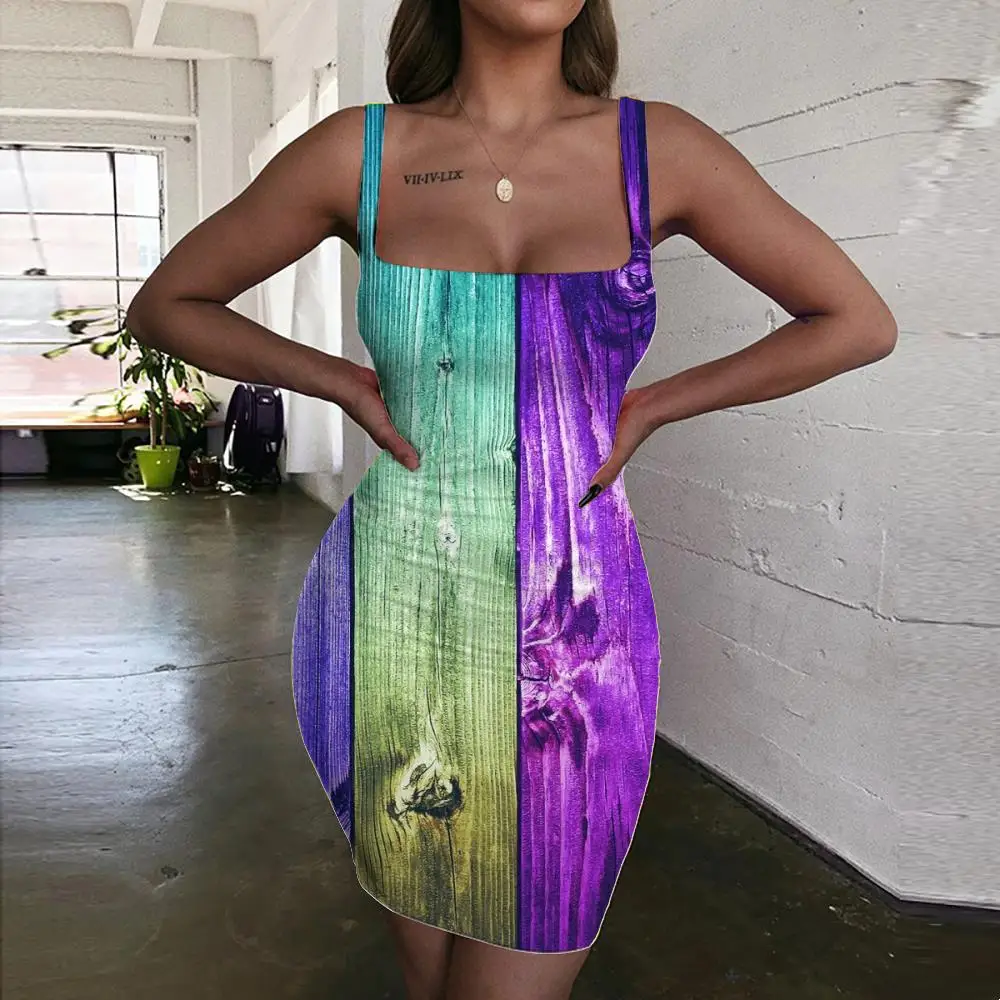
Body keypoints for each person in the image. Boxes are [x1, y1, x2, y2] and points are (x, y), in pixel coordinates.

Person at [126, 2, 898, 998]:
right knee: (432, 966)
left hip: (576, 630)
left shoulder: (658, 151)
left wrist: (656, 403)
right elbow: (167, 303)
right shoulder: (359, 153)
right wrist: (342, 381)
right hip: (394, 616)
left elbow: (856, 319)